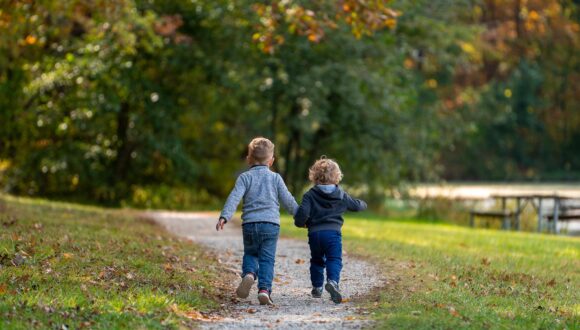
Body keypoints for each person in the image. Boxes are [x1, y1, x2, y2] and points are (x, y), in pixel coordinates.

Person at [216, 137, 298, 305]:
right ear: (271, 161)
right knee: (267, 259)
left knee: (251, 253)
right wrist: (301, 216)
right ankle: (264, 290)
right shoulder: (276, 178)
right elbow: (288, 200)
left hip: (250, 225)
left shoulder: (244, 178)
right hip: (271, 225)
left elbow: (234, 198)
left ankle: (249, 274)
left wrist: (225, 216)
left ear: (248, 159)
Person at [294, 157, 367, 303]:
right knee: (334, 259)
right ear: (337, 177)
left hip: (314, 234)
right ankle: (333, 282)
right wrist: (364, 204)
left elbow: (302, 215)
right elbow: (357, 206)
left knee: (316, 260)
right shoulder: (341, 195)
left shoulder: (310, 195)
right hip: (333, 234)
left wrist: (300, 223)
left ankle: (317, 287)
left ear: (314, 176)